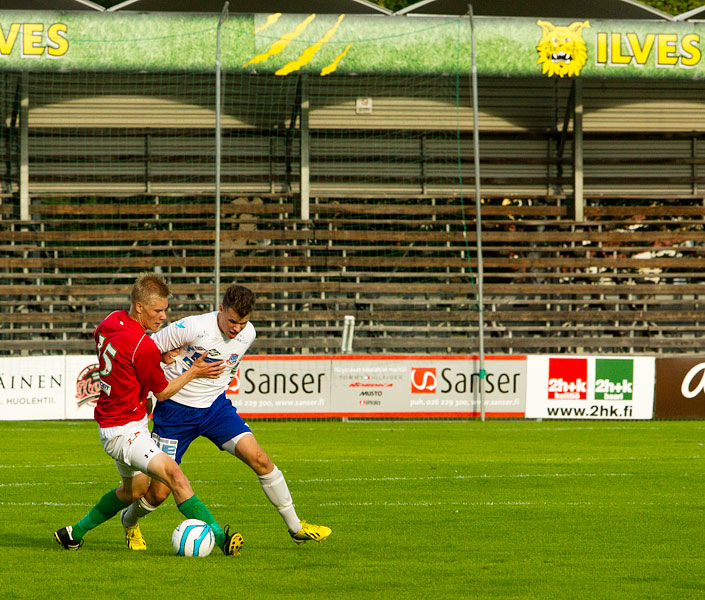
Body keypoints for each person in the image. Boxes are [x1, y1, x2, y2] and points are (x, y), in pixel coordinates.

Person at [119, 284, 331, 549]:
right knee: (159, 493)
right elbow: (144, 351)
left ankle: (296, 527)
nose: (236, 328)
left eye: (242, 323)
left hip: (215, 410)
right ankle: (129, 521)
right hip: (174, 412)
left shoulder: (248, 333)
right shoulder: (192, 327)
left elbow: (231, 363)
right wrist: (164, 358)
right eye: (231, 321)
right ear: (220, 310)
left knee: (260, 459)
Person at [54, 273, 243, 556]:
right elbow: (164, 392)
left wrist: (156, 358)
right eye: (157, 310)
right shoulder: (143, 347)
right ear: (139, 307)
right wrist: (194, 370)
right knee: (174, 474)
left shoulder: (110, 322)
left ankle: (72, 534)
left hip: (115, 422)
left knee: (133, 492)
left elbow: (121, 355)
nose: (163, 317)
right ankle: (221, 537)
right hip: (125, 430)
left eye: (165, 309)